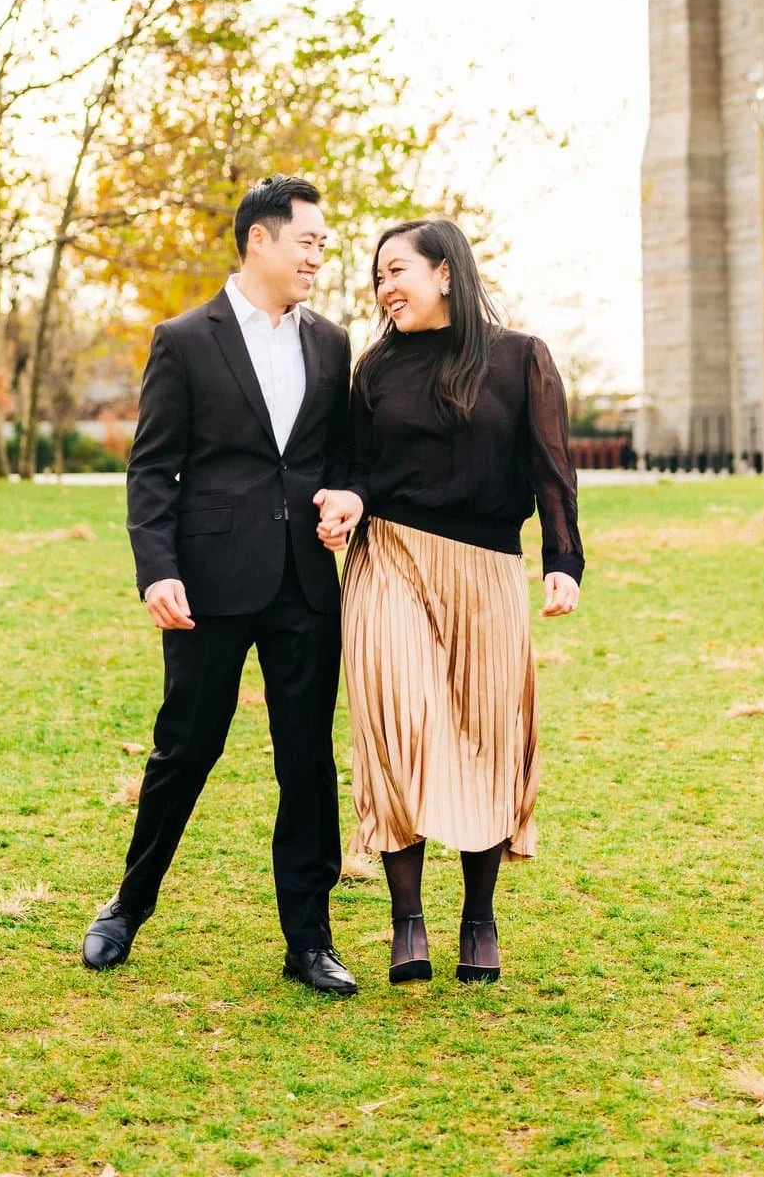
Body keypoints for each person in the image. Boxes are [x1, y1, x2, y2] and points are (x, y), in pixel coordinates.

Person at [80, 175, 360, 995]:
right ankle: (128, 907)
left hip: (306, 583)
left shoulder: (333, 344)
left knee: (306, 761)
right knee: (186, 749)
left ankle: (309, 940)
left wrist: (349, 498)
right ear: (260, 241)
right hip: (206, 585)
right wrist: (157, 572)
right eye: (307, 240)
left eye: (321, 244)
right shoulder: (185, 340)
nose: (318, 255)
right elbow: (152, 469)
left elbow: (337, 458)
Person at [314, 218, 583, 986]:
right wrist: (346, 500)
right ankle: (406, 922)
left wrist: (563, 560)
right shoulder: (374, 370)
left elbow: (551, 466)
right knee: (400, 724)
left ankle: (479, 918)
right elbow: (354, 466)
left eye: (396, 270)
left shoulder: (517, 358)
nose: (384, 288)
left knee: (483, 734)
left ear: (444, 272)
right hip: (389, 557)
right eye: (376, 277)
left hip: (487, 571)